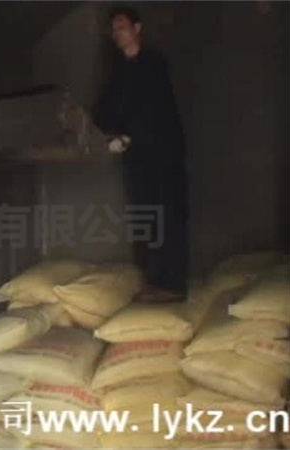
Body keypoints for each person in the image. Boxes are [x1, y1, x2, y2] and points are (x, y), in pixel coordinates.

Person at [93, 6, 189, 296]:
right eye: (114, 29)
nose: (117, 34)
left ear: (137, 28)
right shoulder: (119, 72)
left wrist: (128, 136)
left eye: (122, 27)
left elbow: (154, 108)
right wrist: (106, 133)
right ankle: (154, 280)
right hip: (137, 158)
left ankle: (172, 284)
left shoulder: (153, 63)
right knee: (145, 215)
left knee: (168, 214)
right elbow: (106, 109)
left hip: (163, 152)